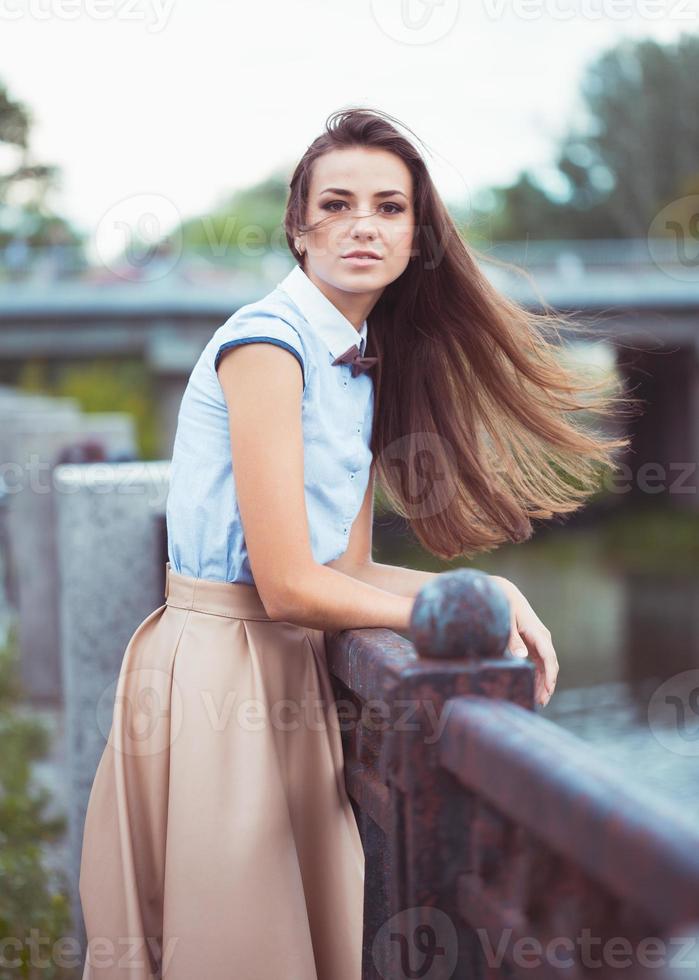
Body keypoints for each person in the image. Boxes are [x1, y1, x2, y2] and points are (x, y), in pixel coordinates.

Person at [78, 106, 633, 979]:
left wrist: (489, 595)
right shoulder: (269, 345)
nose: (362, 225)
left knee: (310, 941)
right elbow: (290, 587)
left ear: (418, 237)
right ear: (299, 230)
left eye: (388, 207)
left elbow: (344, 571)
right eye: (335, 205)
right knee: (240, 948)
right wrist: (441, 625)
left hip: (287, 675)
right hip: (226, 671)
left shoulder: (357, 356)